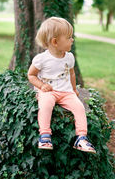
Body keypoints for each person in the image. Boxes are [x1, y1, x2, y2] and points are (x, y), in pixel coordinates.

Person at [27, 16, 96, 154]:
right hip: (49, 91)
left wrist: (74, 89)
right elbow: (31, 75)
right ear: (55, 42)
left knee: (79, 107)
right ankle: (45, 135)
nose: (72, 40)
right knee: (45, 104)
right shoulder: (41, 59)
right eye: (69, 37)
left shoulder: (69, 57)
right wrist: (41, 86)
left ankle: (81, 138)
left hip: (66, 92)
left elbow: (72, 74)